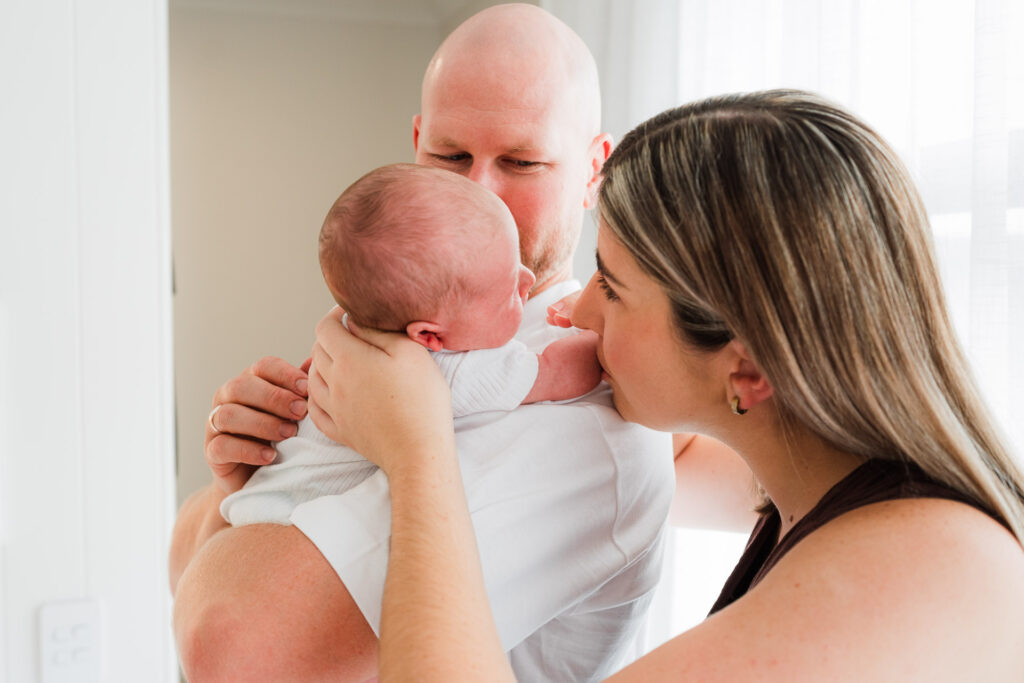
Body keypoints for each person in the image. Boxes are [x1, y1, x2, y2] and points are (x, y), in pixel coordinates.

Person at [307, 90, 1024, 681]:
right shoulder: (824, 482)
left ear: (747, 368)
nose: (574, 308)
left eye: (612, 289)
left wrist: (416, 447)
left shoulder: (915, 572)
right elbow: (664, 460)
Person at [170, 5, 725, 681]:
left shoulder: (590, 413)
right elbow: (181, 559)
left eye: (521, 162)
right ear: (415, 141)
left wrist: (234, 537)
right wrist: (248, 470)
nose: (478, 193)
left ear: (592, 170)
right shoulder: (413, 321)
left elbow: (228, 644)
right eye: (449, 154)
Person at [221, 162, 603, 527]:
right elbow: (565, 370)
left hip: (258, 499)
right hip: (280, 520)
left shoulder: (352, 328)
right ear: (429, 337)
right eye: (507, 290)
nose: (527, 277)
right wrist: (592, 319)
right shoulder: (447, 370)